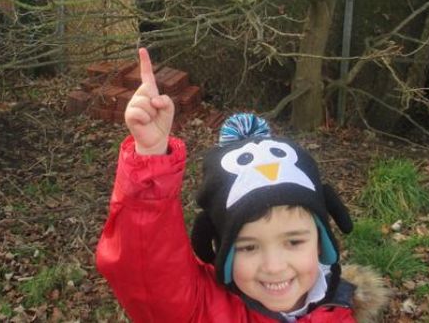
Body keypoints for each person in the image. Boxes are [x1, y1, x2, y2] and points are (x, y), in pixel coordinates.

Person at [96, 48, 388, 322]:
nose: (274, 267)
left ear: (321, 243)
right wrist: (150, 158)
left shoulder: (340, 308)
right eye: (248, 247)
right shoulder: (202, 308)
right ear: (222, 251)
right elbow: (149, 274)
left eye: (294, 241)